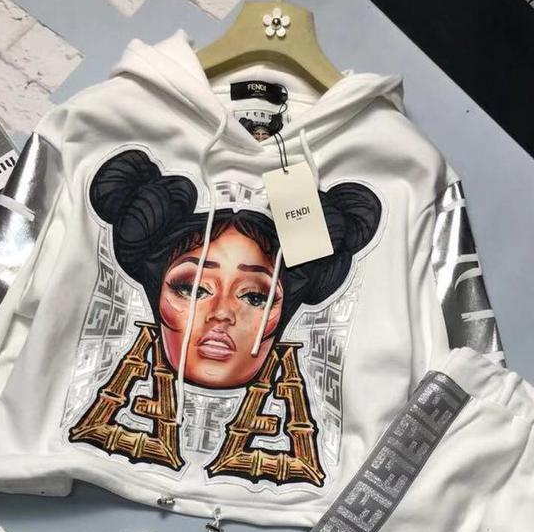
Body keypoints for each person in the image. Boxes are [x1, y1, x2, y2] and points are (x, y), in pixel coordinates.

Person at [86, 147, 382, 392]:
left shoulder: (389, 155)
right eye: (193, 289)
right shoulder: (101, 118)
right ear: (156, 289)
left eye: (255, 297)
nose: (222, 314)